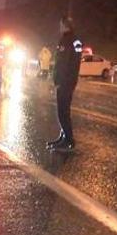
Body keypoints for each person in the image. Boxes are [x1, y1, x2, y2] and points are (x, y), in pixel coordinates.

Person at [47, 16, 83, 152]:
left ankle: (68, 140)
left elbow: (63, 64)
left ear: (65, 25)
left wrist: (58, 81)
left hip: (65, 82)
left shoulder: (66, 41)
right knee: (64, 111)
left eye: (60, 24)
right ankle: (64, 136)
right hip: (70, 80)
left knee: (62, 111)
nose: (59, 27)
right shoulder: (76, 40)